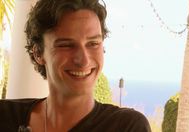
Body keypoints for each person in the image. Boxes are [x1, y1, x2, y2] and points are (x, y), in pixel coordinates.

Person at [0, 0, 151, 131]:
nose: (83, 60)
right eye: (66, 45)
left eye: (93, 44)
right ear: (38, 53)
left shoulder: (126, 126)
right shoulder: (5, 117)